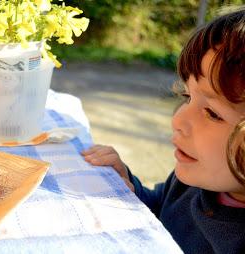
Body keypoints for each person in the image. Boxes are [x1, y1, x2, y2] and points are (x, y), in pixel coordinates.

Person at [81, 8, 245, 254]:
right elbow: (161, 210)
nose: (178, 119)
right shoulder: (190, 182)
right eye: (187, 96)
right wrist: (131, 187)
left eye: (213, 113)